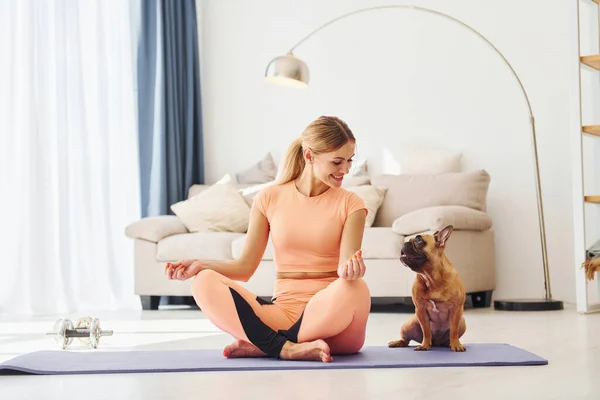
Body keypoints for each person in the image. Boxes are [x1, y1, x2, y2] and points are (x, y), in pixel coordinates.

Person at [164, 116, 371, 363]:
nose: (346, 170)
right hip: (282, 313)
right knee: (203, 281)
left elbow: (346, 268)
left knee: (355, 288)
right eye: (337, 162)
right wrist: (202, 264)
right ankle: (286, 348)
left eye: (349, 161)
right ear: (309, 156)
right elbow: (244, 268)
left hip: (333, 322)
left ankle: (266, 344)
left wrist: (351, 271)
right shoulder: (268, 198)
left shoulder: (351, 204)